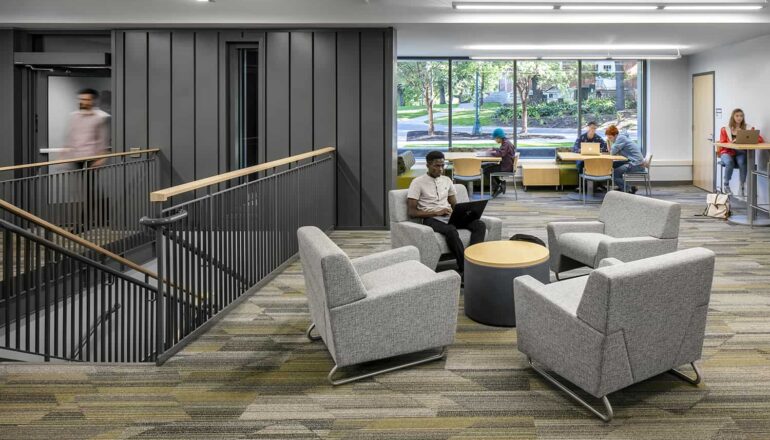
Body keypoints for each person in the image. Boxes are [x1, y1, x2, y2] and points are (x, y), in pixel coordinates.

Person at [407, 151, 486, 275]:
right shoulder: (417, 182)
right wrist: (437, 212)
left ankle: (475, 261)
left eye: (442, 165)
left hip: (448, 216)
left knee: (479, 224)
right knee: (450, 230)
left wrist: (467, 212)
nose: (441, 169)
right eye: (437, 166)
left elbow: (455, 205)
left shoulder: (447, 180)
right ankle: (465, 268)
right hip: (430, 218)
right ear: (428, 165)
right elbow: (412, 212)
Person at [718, 108, 764, 196]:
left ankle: (742, 186)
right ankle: (726, 185)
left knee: (743, 162)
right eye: (737, 116)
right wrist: (732, 142)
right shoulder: (725, 129)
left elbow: (759, 139)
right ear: (733, 117)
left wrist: (744, 140)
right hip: (727, 152)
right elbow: (722, 142)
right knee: (729, 162)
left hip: (741, 152)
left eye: (741, 116)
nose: (739, 118)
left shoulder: (748, 128)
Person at [63, 88, 110, 167]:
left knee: (89, 179)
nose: (82, 101)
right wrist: (64, 154)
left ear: (92, 101)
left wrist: (101, 158)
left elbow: (102, 140)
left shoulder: (98, 118)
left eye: (85, 99)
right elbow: (70, 137)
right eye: (80, 99)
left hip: (91, 159)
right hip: (75, 159)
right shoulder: (74, 117)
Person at [605, 125, 644, 193]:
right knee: (611, 166)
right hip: (634, 162)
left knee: (614, 173)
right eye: (608, 138)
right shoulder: (621, 138)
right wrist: (609, 141)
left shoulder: (621, 139)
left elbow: (612, 152)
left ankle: (629, 188)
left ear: (615, 135)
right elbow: (613, 152)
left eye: (610, 137)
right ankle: (624, 187)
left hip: (636, 164)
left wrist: (608, 142)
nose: (610, 139)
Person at [481, 128, 516, 198]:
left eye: (495, 138)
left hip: (505, 168)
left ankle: (497, 186)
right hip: (506, 165)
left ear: (499, 137)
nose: (495, 140)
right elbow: (502, 150)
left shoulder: (506, 143)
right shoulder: (506, 142)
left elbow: (501, 154)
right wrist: (494, 149)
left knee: (486, 170)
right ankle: (500, 183)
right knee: (486, 166)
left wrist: (490, 153)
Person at [571, 121, 608, 187]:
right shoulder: (581, 137)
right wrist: (580, 150)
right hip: (582, 159)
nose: (593, 130)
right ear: (588, 128)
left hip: (595, 159)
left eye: (594, 128)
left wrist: (598, 150)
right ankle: (581, 186)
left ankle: (597, 186)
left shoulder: (598, 138)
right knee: (580, 164)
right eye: (591, 128)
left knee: (601, 164)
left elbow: (605, 148)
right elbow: (574, 148)